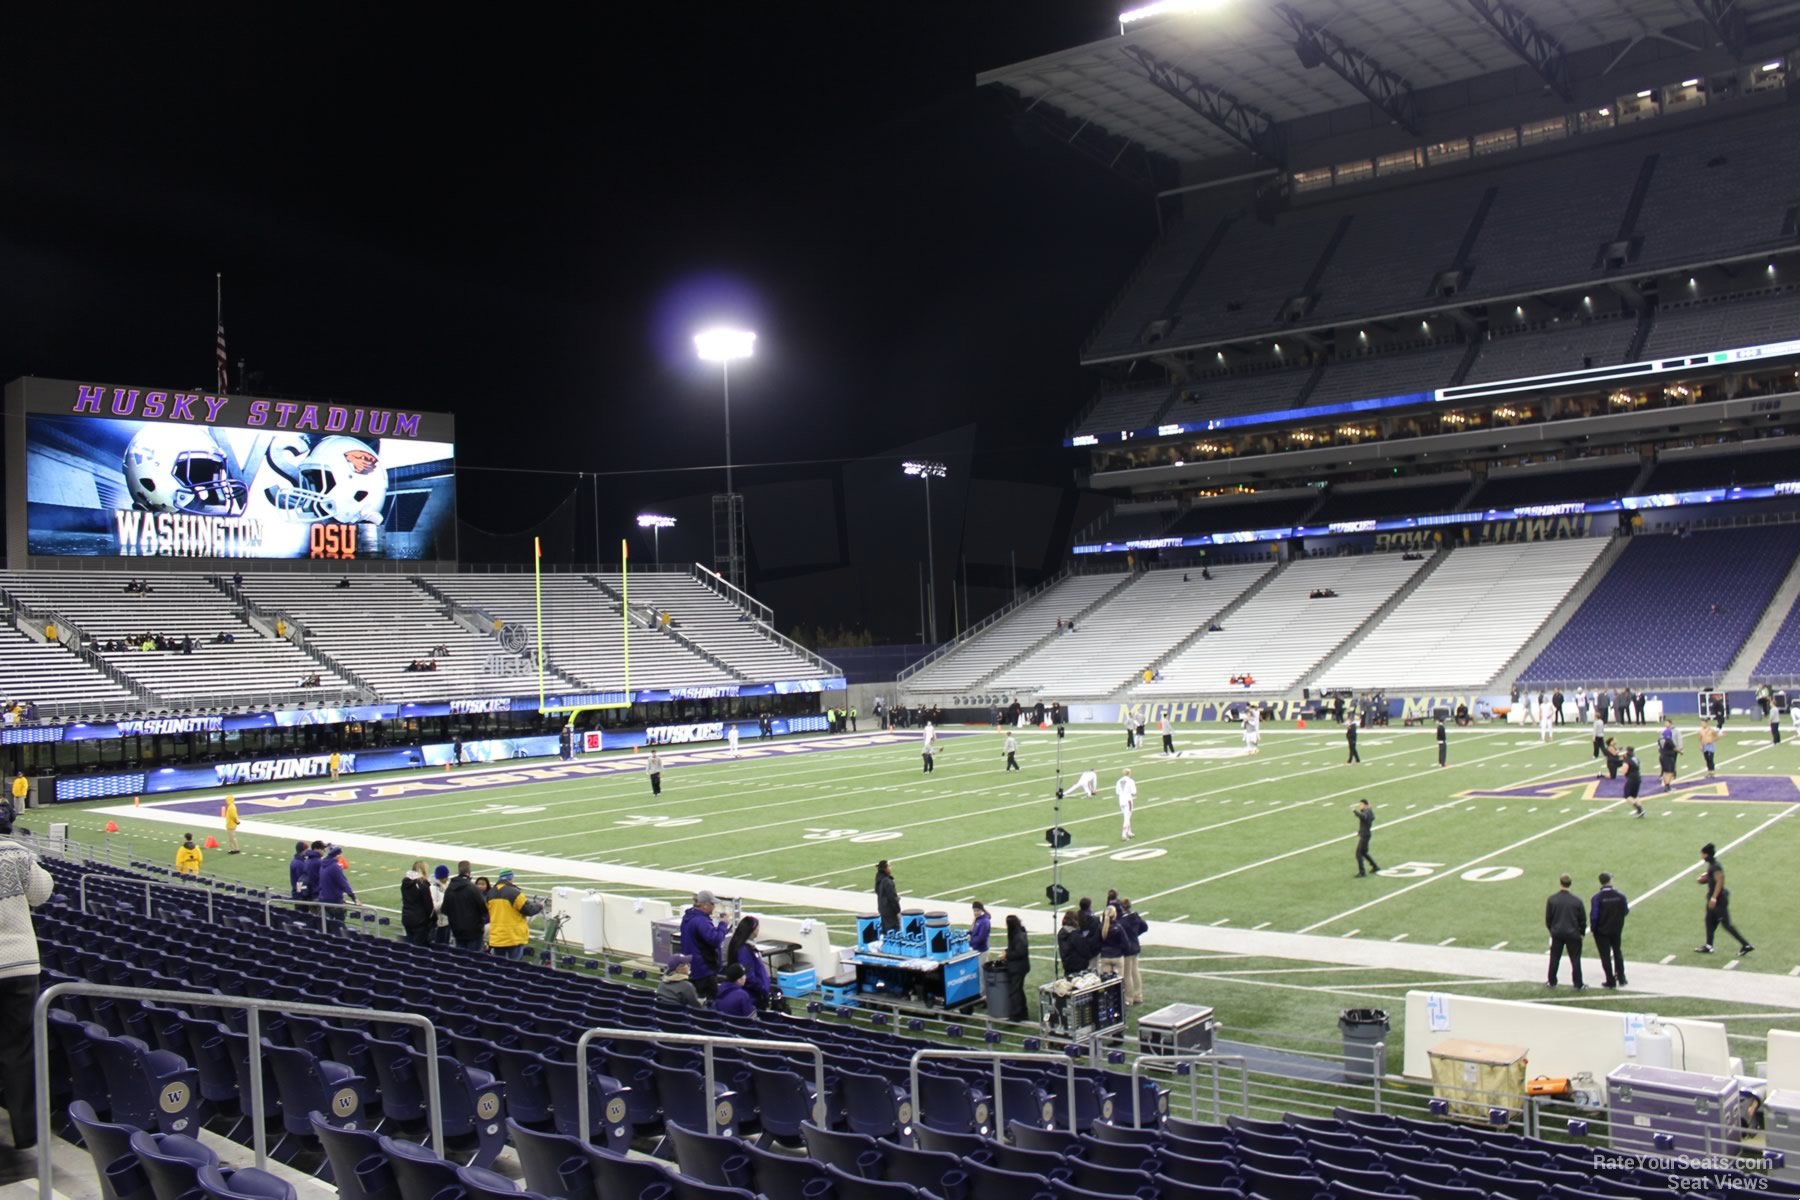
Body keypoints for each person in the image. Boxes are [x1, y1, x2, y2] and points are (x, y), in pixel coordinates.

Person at [0, 818, 55, 1164]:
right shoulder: (15, 851)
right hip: (20, 964)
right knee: (19, 1049)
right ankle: (26, 1133)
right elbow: (42, 893)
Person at [1696, 842, 1753, 956]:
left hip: (1719, 900)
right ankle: (1708, 946)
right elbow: (1713, 878)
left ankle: (1746, 945)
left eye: (1702, 854)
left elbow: (1720, 881)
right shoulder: (1712, 865)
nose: (1701, 856)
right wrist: (1705, 878)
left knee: (1726, 924)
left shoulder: (1715, 866)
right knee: (1709, 920)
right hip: (1714, 898)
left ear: (1706, 854)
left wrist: (1714, 898)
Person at [680, 890, 731, 999]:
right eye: (712, 904)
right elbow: (715, 940)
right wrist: (723, 924)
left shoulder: (688, 917)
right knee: (711, 1002)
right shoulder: (701, 921)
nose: (714, 907)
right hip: (703, 969)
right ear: (705, 905)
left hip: (692, 966)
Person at [1545, 874, 1586, 989]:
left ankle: (1552, 981)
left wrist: (1552, 930)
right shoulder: (1577, 901)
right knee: (1575, 959)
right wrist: (1582, 933)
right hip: (1573, 933)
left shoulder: (1552, 899)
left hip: (1557, 933)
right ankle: (1578, 983)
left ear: (1560, 883)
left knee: (1554, 958)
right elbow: (1582, 919)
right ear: (1570, 884)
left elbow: (1548, 919)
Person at [1590, 872, 1630, 989]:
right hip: (1616, 929)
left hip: (1601, 931)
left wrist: (1594, 928)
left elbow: (1594, 916)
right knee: (1617, 952)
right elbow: (1625, 911)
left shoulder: (1597, 898)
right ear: (1609, 881)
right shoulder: (1620, 896)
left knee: (1605, 955)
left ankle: (1610, 980)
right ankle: (1621, 977)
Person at [485, 869, 536, 959]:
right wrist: (540, 906)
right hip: (513, 936)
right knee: (514, 968)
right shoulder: (515, 893)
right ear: (511, 878)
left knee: (499, 966)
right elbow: (529, 910)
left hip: (497, 936)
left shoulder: (490, 893)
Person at [726, 915, 771, 1008]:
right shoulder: (744, 950)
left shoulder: (745, 946)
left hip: (755, 993)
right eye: (757, 927)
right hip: (753, 996)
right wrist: (762, 988)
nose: (758, 930)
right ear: (752, 930)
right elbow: (749, 976)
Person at [442, 862, 488, 949]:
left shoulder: (450, 888)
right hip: (474, 931)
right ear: (469, 872)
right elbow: (483, 908)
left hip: (457, 930)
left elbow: (445, 909)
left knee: (461, 959)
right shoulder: (473, 888)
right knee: (474, 959)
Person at [318, 846, 356, 935]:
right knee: (339, 926)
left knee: (327, 926)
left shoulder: (322, 864)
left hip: (323, 899)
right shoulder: (335, 867)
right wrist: (354, 898)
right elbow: (344, 884)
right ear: (337, 855)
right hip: (334, 901)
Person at [1117, 897, 1147, 1006]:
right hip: (1135, 946)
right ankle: (1138, 995)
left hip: (1127, 949)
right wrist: (1135, 934)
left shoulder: (1122, 921)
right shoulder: (1135, 916)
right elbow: (1145, 927)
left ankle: (1129, 998)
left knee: (1127, 973)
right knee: (1135, 971)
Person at [400, 860, 436, 946]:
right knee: (419, 948)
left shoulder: (405, 883)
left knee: (410, 945)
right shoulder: (422, 884)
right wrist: (433, 919)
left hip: (407, 917)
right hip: (419, 921)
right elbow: (429, 906)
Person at [1003, 914, 1031, 1020]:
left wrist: (1007, 955)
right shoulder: (1019, 933)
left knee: (1015, 991)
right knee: (1019, 990)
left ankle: (1016, 1014)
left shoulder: (1018, 935)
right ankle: (1023, 1012)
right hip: (1020, 966)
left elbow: (1020, 952)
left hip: (1018, 967)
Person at [1058, 909, 1095, 976]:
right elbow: (1085, 951)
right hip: (1078, 967)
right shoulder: (1075, 935)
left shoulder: (1061, 933)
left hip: (1067, 966)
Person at [1353, 798, 1380, 877]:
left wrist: (1355, 811)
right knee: (1364, 852)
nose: (1359, 806)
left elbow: (1363, 817)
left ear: (1365, 805)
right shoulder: (1368, 811)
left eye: (1361, 805)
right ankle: (1375, 866)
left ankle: (1362, 872)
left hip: (1365, 835)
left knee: (1359, 853)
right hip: (1365, 834)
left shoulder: (1367, 812)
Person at [874, 861, 901, 932]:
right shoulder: (887, 881)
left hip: (882, 908)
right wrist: (898, 911)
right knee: (893, 930)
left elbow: (877, 891)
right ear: (885, 868)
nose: (891, 868)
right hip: (890, 910)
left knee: (885, 929)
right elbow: (892, 898)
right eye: (889, 866)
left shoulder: (879, 879)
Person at [1657, 717, 1682, 791]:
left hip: (1662, 756)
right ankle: (1667, 786)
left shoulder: (1661, 739)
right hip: (1668, 757)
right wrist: (1680, 751)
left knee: (1665, 771)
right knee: (1670, 771)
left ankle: (1666, 786)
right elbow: (1674, 748)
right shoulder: (1669, 741)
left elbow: (1659, 746)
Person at [430, 864, 452, 943]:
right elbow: (434, 906)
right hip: (439, 923)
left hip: (448, 921)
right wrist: (445, 900)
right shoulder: (434, 888)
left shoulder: (448, 885)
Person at [1622, 745, 1644, 817]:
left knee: (1627, 795)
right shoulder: (1636, 758)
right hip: (1638, 777)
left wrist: (1623, 772)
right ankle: (1641, 810)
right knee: (1635, 795)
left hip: (1632, 778)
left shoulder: (1627, 760)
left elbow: (1624, 770)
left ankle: (1639, 809)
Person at [1115, 769, 1137, 840]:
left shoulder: (1118, 781)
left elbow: (1117, 792)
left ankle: (1129, 832)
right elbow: (1134, 792)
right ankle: (1124, 834)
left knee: (1126, 816)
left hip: (1121, 800)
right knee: (1127, 818)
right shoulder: (1130, 781)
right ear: (1129, 773)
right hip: (1128, 800)